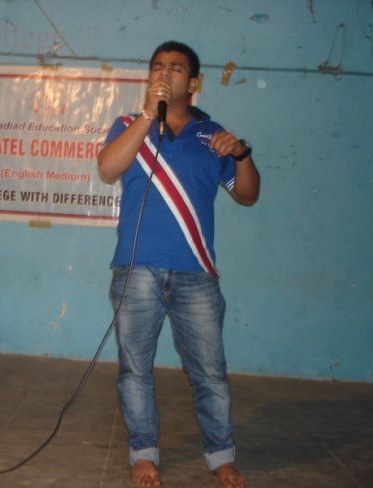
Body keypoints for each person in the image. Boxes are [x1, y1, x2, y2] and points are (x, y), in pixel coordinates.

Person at [97, 41, 260, 488]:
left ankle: (221, 455)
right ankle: (143, 453)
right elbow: (108, 168)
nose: (165, 72)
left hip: (196, 273)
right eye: (158, 66)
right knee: (135, 370)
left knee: (210, 372)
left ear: (194, 81)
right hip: (136, 269)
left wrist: (242, 155)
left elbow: (248, 194)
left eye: (175, 67)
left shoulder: (213, 135)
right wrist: (149, 115)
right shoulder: (128, 124)